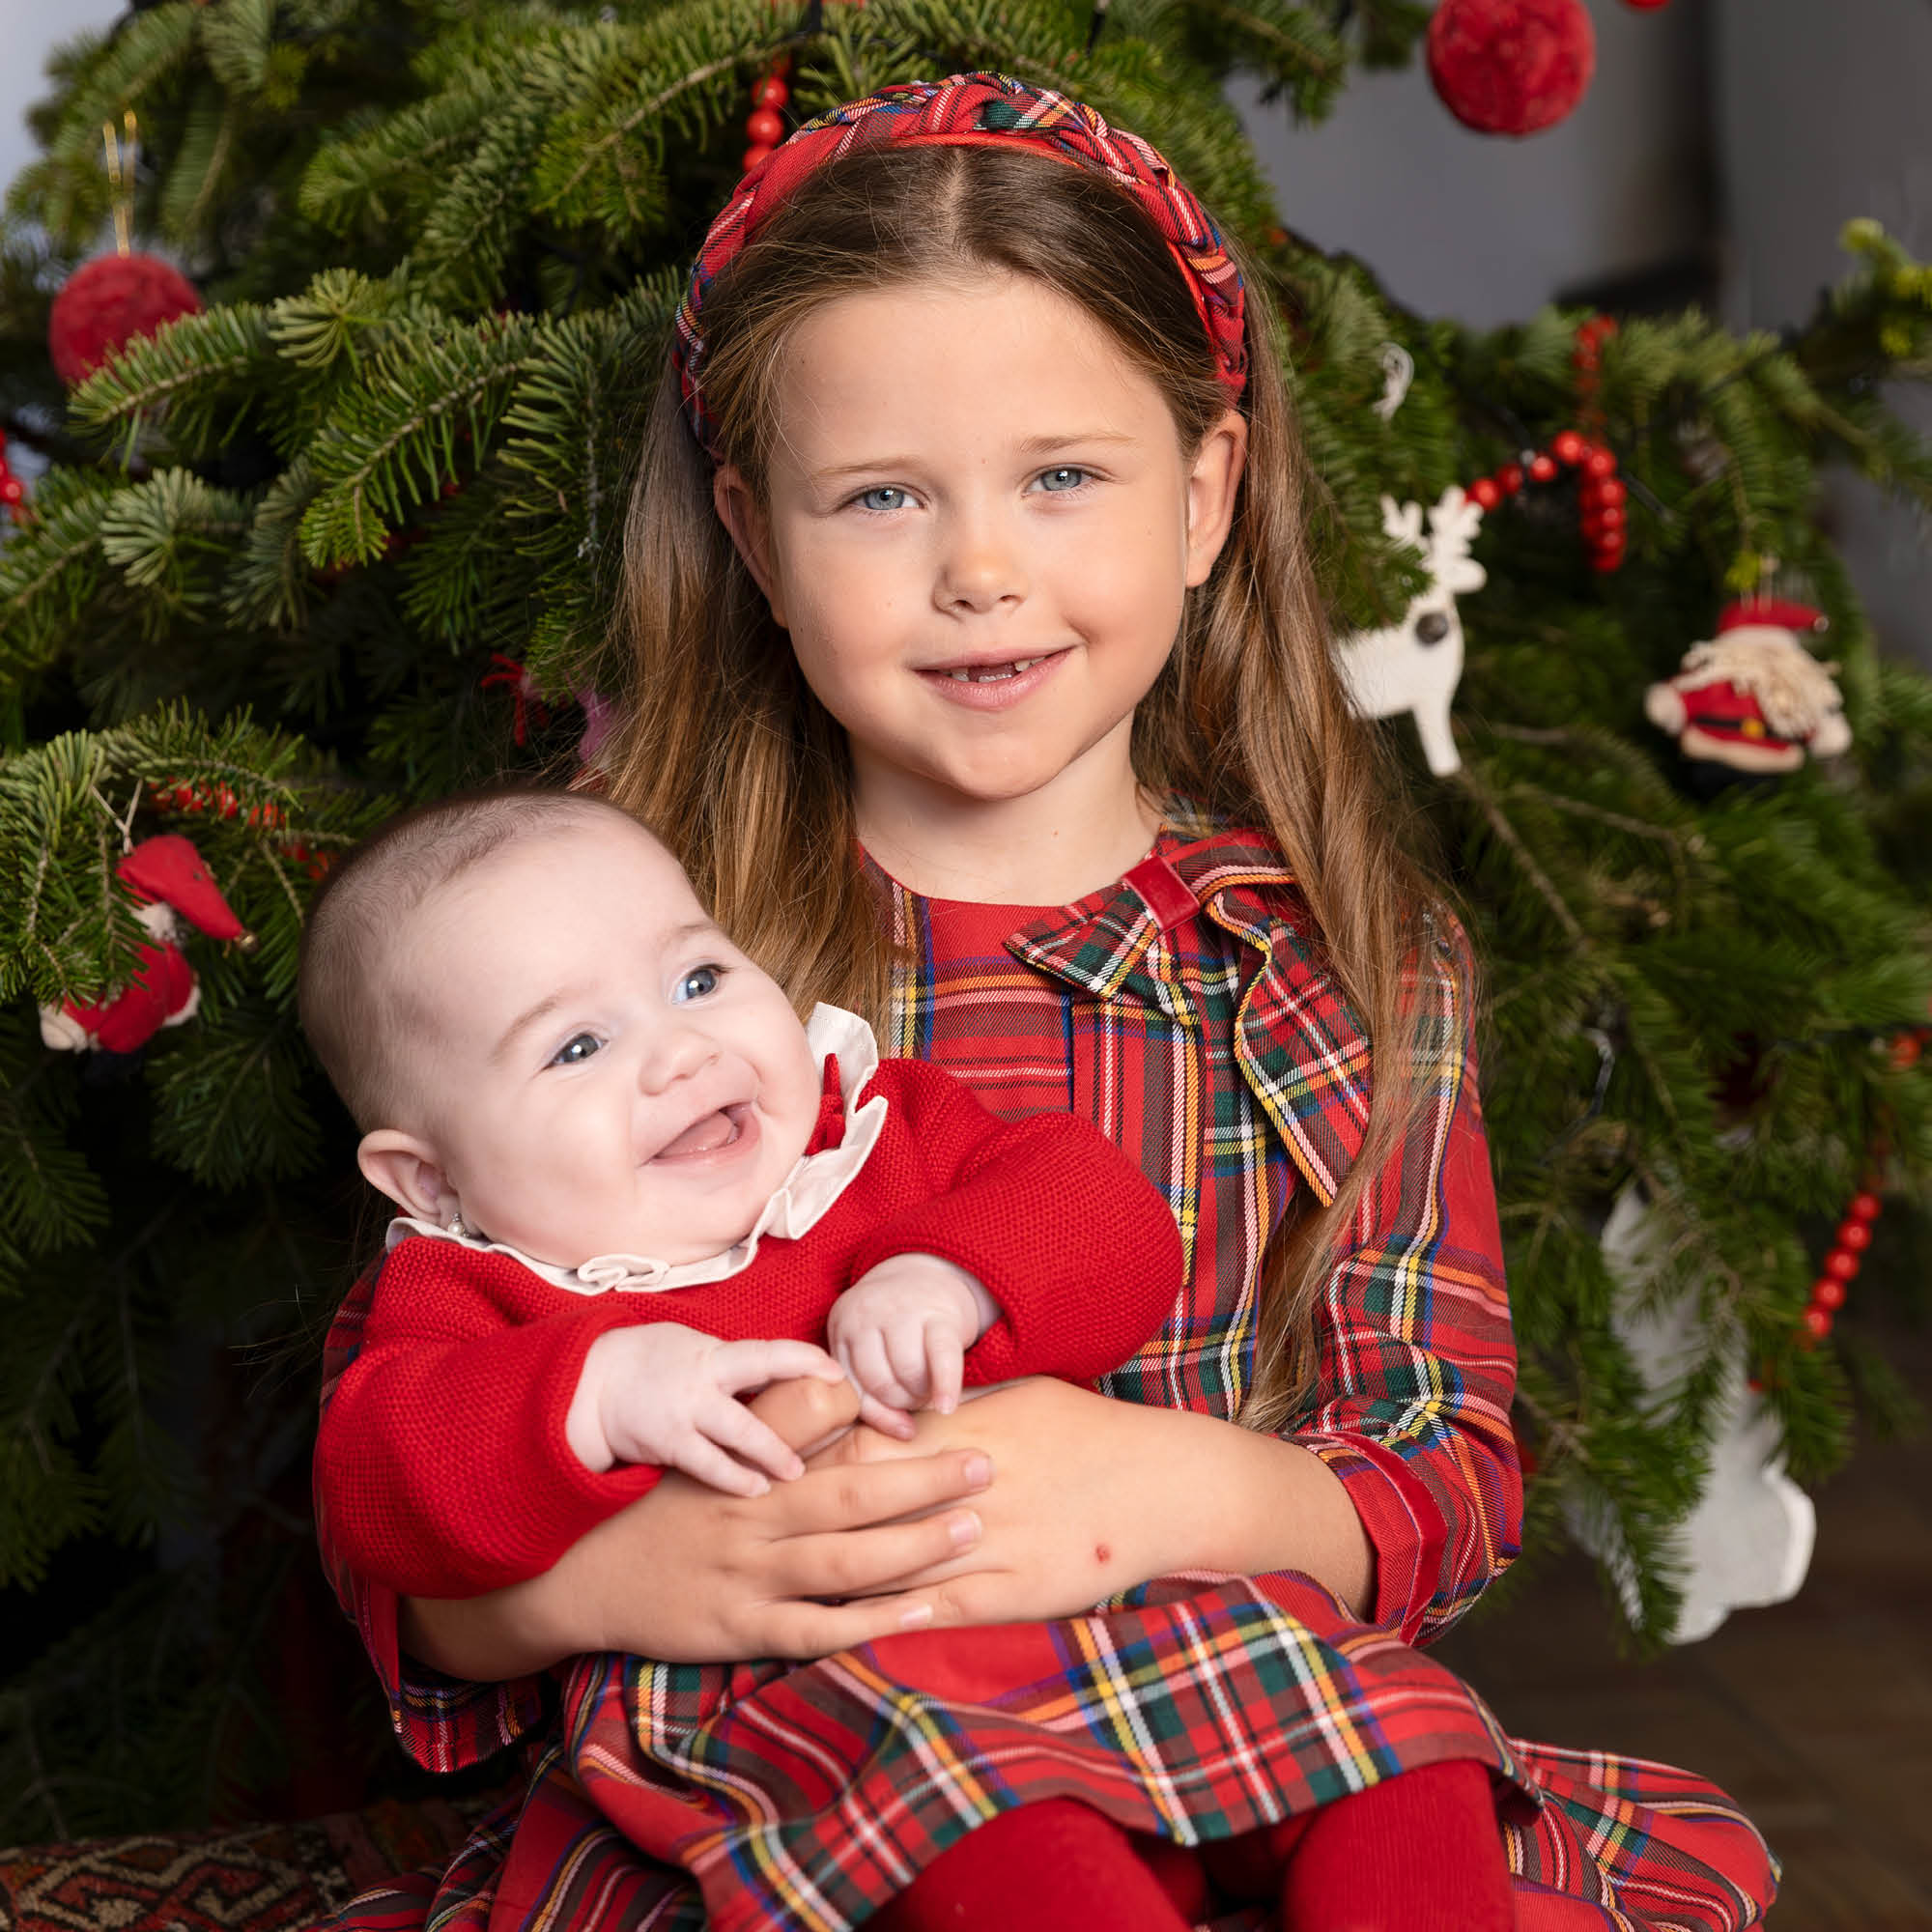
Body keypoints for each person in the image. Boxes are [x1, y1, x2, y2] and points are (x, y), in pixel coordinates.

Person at [314, 72, 1777, 1932]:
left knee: (1430, 1788)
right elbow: (401, 1498)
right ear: (757, 540)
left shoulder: (1341, 959)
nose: (982, 571)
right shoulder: (641, 966)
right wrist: (618, 1586)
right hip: (802, 1776)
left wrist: (1165, 1490)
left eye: (1062, 476)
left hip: (1230, 1690)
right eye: (882, 497)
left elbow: (1444, 1474)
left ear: (1206, 495)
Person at [301, 786, 1184, 1600]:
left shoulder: (874, 1136)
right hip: (743, 1706)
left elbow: (1112, 1217)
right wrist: (597, 1395)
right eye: (578, 1047)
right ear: (433, 1181)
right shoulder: (472, 1299)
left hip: (1062, 1635)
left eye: (698, 981)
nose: (682, 1051)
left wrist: (950, 1278)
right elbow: (376, 1496)